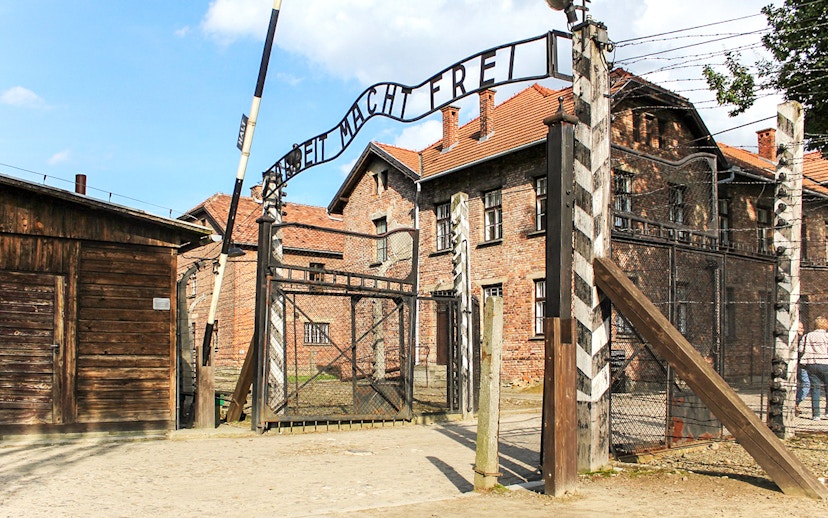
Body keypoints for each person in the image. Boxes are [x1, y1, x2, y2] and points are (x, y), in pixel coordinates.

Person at [799, 316, 828, 420]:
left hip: (811, 364)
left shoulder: (807, 336)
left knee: (815, 388)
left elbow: (801, 349)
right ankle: (827, 412)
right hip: (825, 363)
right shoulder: (826, 336)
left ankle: (816, 414)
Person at [795, 321, 810, 416]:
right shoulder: (799, 339)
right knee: (806, 384)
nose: (803, 330)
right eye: (800, 328)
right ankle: (795, 402)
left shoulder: (801, 338)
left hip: (800, 364)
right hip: (799, 365)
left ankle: (795, 402)